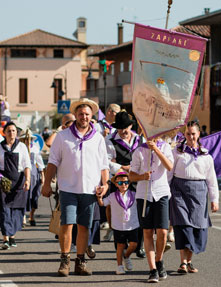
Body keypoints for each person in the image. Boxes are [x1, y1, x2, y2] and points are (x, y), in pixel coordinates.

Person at [41, 98, 109, 277]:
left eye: (87, 114)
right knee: (67, 224)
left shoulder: (98, 138)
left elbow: (104, 164)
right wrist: (47, 183)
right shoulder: (63, 137)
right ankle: (65, 261)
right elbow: (53, 162)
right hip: (68, 188)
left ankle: (80, 261)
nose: (84, 117)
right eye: (81, 114)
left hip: (90, 189)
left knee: (84, 227)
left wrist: (106, 184)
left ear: (91, 116)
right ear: (76, 116)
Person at [169, 121, 219, 274]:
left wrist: (214, 199)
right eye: (188, 134)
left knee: (197, 226)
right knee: (183, 225)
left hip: (199, 192)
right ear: (184, 134)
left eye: (193, 134)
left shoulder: (206, 155)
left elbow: (211, 179)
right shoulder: (177, 152)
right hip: (179, 190)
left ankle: (189, 261)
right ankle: (183, 262)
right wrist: (165, 193)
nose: (191, 137)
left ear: (198, 135)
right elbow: (169, 173)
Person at [129, 138, 174, 283]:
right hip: (144, 195)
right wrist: (142, 176)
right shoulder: (139, 150)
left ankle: (159, 260)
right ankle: (153, 269)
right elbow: (131, 175)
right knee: (148, 232)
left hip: (161, 193)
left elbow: (169, 166)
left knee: (162, 232)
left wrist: (156, 149)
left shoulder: (165, 147)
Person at [105, 111, 145, 258]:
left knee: (139, 213)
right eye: (120, 128)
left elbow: (144, 160)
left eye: (125, 127)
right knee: (120, 214)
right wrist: (125, 168)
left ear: (130, 126)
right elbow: (108, 162)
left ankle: (139, 246)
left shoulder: (139, 139)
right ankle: (120, 246)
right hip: (119, 181)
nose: (123, 131)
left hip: (137, 181)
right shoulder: (110, 140)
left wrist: (124, 165)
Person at [0, 122, 31, 249]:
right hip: (3, 182)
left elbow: (27, 165)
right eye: (9, 131)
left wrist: (27, 180)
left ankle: (12, 235)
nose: (11, 133)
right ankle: (5, 238)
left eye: (13, 130)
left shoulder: (22, 147)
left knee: (17, 210)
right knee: (3, 209)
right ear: (4, 133)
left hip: (18, 181)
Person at [97, 171, 139, 275]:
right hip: (119, 226)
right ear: (116, 184)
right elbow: (102, 204)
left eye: (125, 182)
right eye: (120, 183)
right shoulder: (112, 196)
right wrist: (99, 196)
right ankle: (119, 266)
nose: (123, 185)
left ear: (129, 183)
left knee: (134, 244)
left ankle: (127, 256)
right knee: (120, 245)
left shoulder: (134, 194)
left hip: (133, 224)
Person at [19, 129, 45, 226]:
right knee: (24, 194)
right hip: (24, 172)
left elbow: (40, 161)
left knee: (35, 195)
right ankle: (23, 216)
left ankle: (32, 215)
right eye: (25, 139)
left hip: (34, 172)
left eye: (29, 139)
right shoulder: (20, 148)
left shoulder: (35, 148)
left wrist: (42, 174)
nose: (27, 141)